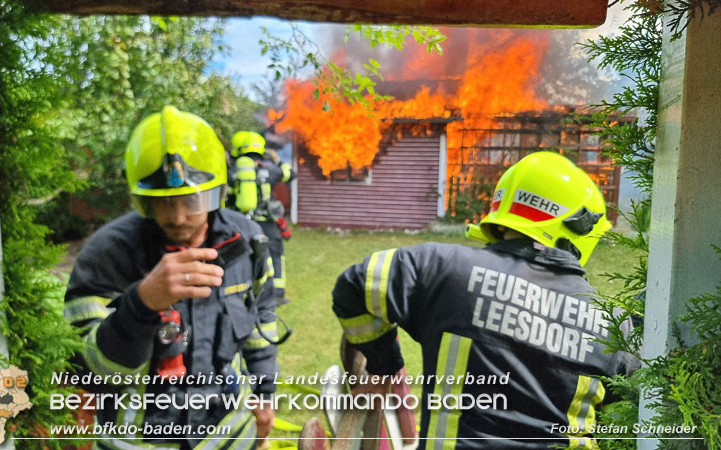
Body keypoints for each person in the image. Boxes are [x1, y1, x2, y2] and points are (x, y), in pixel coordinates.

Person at [332, 152, 639, 449]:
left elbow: (355, 285)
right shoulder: (610, 323)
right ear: (579, 227)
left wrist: (384, 364)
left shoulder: (441, 268)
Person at [64, 106, 277, 450]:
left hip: (229, 438)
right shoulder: (107, 254)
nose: (177, 218)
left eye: (192, 199)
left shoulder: (248, 243)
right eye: (161, 203)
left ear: (216, 192)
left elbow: (259, 325)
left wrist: (265, 393)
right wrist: (141, 303)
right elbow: (88, 370)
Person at [227, 131, 295, 306]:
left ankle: (246, 293)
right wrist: (277, 159)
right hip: (268, 223)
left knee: (244, 256)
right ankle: (278, 294)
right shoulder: (268, 169)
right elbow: (290, 174)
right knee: (275, 256)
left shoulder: (232, 171)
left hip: (241, 223)